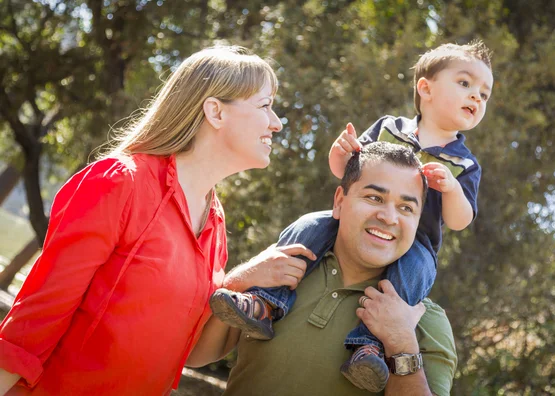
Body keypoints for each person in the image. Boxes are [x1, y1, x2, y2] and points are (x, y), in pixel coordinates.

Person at [0, 46, 316, 395]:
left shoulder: (215, 222)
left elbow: (193, 353)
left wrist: (242, 281)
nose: (277, 122)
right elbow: (36, 318)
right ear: (215, 111)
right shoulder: (121, 182)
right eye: (265, 105)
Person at [210, 40, 493, 392]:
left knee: (413, 275)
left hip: (417, 246)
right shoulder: (388, 128)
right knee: (308, 225)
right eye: (466, 84)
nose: (476, 97)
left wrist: (450, 189)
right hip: (325, 232)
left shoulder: (464, 163)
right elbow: (346, 171)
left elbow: (459, 220)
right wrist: (339, 152)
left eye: (484, 93)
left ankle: (368, 346)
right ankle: (267, 302)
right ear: (426, 88)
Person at [192, 142, 457, 395]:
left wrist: (402, 344)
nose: (389, 217)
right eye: (374, 197)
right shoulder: (276, 273)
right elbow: (196, 356)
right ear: (340, 201)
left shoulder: (423, 319)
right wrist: (237, 281)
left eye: (406, 207)